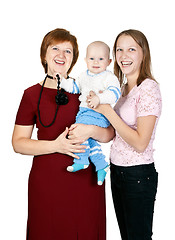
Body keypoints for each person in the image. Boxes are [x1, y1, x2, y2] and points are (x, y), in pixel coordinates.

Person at [12, 28, 114, 240]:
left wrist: (92, 130)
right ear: (44, 54)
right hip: (48, 183)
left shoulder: (87, 91)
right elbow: (18, 143)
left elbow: (109, 134)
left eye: (67, 51)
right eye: (55, 49)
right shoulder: (30, 94)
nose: (61, 55)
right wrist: (56, 146)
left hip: (86, 182)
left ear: (74, 59)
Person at [87, 29, 162, 240]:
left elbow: (140, 143)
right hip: (118, 172)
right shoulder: (121, 90)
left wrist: (107, 110)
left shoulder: (148, 88)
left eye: (131, 49)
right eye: (119, 49)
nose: (123, 55)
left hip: (137, 176)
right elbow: (114, 132)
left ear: (143, 54)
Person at [60, 41, 121, 185]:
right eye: (92, 58)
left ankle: (81, 160)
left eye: (101, 59)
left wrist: (99, 98)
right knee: (90, 140)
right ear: (86, 60)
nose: (96, 62)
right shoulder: (83, 76)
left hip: (98, 114)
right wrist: (62, 82)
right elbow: (75, 87)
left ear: (109, 61)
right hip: (83, 112)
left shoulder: (108, 77)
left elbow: (114, 93)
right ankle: (101, 165)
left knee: (78, 133)